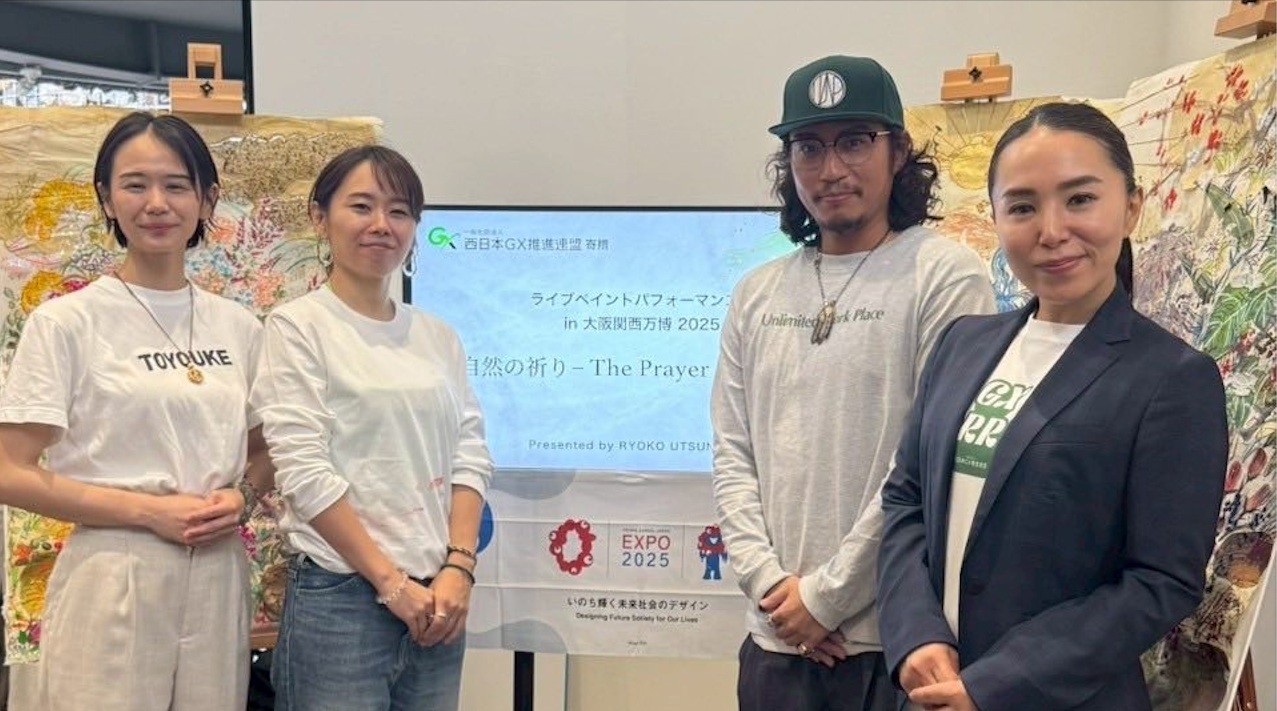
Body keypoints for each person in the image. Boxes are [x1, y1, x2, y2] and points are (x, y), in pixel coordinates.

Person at [876, 101, 1229, 711]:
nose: (1051, 230)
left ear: (1132, 207)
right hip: (930, 689)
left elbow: (1160, 581)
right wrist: (915, 634)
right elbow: (906, 498)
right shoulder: (963, 343)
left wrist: (993, 685)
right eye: (1022, 207)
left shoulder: (1172, 379)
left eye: (1080, 199)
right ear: (995, 218)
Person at [710, 55, 994, 711]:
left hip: (893, 645)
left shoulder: (945, 275)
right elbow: (731, 451)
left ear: (898, 151)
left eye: (854, 141)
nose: (831, 168)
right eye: (808, 147)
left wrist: (826, 598)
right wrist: (773, 589)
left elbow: (930, 459)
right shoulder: (756, 292)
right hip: (774, 641)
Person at [0, 111, 268, 711]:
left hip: (217, 566)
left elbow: (265, 449)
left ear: (207, 200)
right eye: (135, 185)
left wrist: (243, 498)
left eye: (176, 185)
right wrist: (148, 512)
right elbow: (9, 470)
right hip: (113, 560)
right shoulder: (68, 322)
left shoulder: (239, 327)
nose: (156, 204)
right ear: (106, 198)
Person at [255, 145, 492, 711]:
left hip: (438, 594)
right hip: (340, 595)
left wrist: (459, 567)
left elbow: (469, 454)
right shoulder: (298, 327)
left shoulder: (438, 336)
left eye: (399, 211)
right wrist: (390, 583)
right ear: (320, 218)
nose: (382, 224)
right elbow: (303, 471)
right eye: (361, 206)